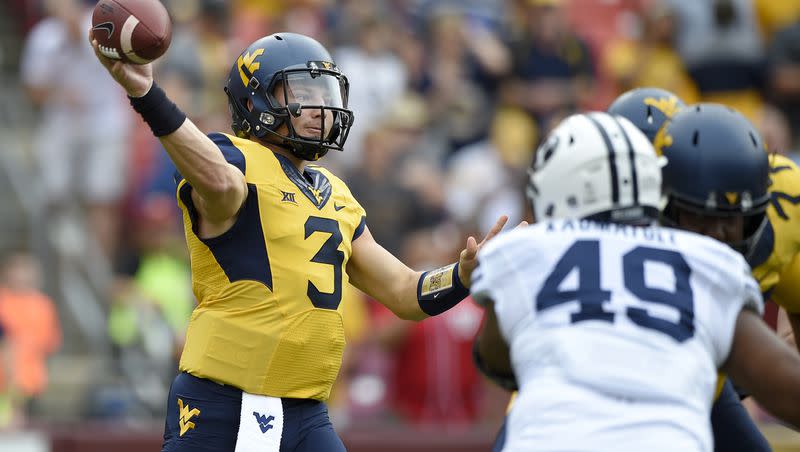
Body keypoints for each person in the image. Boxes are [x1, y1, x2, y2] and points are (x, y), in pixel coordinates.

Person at [89, 30, 507, 451]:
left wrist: (464, 274)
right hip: (225, 402)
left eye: (323, 92)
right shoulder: (233, 158)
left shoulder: (335, 193)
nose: (319, 108)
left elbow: (405, 293)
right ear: (254, 102)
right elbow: (219, 182)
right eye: (301, 92)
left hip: (306, 412)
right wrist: (147, 94)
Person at [471, 111, 800, 451]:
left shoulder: (524, 250)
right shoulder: (706, 260)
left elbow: (494, 358)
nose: (717, 230)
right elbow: (782, 384)